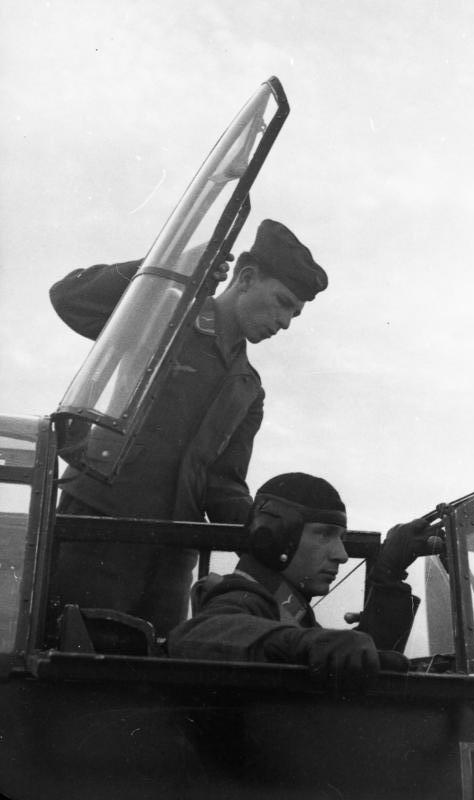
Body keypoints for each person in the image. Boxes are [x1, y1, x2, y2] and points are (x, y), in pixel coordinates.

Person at [49, 221, 328, 634]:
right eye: (282, 302)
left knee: (155, 673)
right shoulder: (165, 317)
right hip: (100, 528)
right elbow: (70, 298)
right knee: (72, 657)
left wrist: (274, 529)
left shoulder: (249, 388)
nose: (285, 321)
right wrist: (170, 268)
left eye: (294, 313)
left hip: (173, 554)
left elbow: (223, 485)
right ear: (246, 279)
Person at [168, 472, 442, 693]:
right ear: (273, 535)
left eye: (340, 539)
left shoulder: (287, 610)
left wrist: (388, 575)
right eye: (324, 534)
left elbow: (363, 659)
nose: (342, 555)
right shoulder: (241, 597)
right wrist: (304, 643)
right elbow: (196, 636)